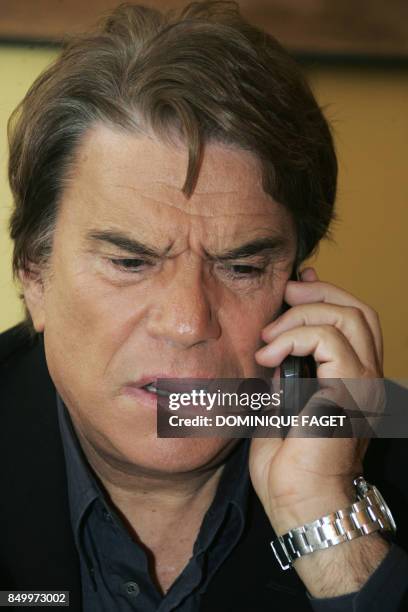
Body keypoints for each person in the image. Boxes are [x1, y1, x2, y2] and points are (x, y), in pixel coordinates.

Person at [1, 2, 407, 611]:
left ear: (299, 290)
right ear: (34, 275)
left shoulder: (384, 449)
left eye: (242, 268)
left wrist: (326, 517)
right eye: (130, 263)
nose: (188, 322)